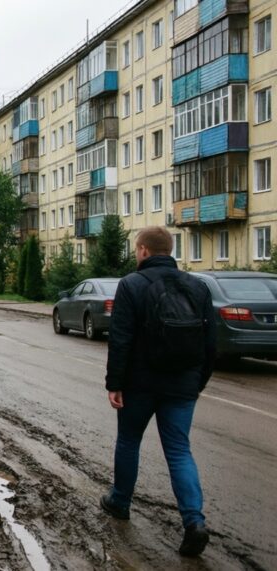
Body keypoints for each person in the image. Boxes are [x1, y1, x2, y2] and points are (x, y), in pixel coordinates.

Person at [100, 226, 216, 557]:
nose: (136, 254)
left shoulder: (131, 284)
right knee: (180, 451)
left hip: (139, 385)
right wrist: (197, 384)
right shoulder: (198, 287)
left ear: (145, 251)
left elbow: (120, 339)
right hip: (182, 386)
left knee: (129, 441)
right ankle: (194, 522)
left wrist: (114, 384)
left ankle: (120, 501)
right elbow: (210, 344)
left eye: (137, 249)